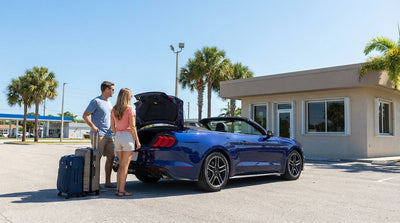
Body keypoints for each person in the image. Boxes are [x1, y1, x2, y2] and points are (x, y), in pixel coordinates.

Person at [83, 81, 116, 189]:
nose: (113, 92)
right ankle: (94, 183)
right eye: (113, 89)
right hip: (98, 134)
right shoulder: (95, 101)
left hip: (108, 134)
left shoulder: (109, 103)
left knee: (111, 156)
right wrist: (92, 126)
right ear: (107, 89)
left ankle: (107, 181)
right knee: (96, 159)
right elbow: (85, 115)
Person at [110, 88, 141, 196]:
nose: (131, 97)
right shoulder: (130, 109)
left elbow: (112, 126)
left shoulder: (113, 109)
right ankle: (122, 190)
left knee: (120, 165)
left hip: (117, 136)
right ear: (127, 97)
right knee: (125, 166)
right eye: (131, 96)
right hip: (127, 137)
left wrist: (117, 134)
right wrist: (137, 141)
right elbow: (133, 127)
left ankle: (118, 189)